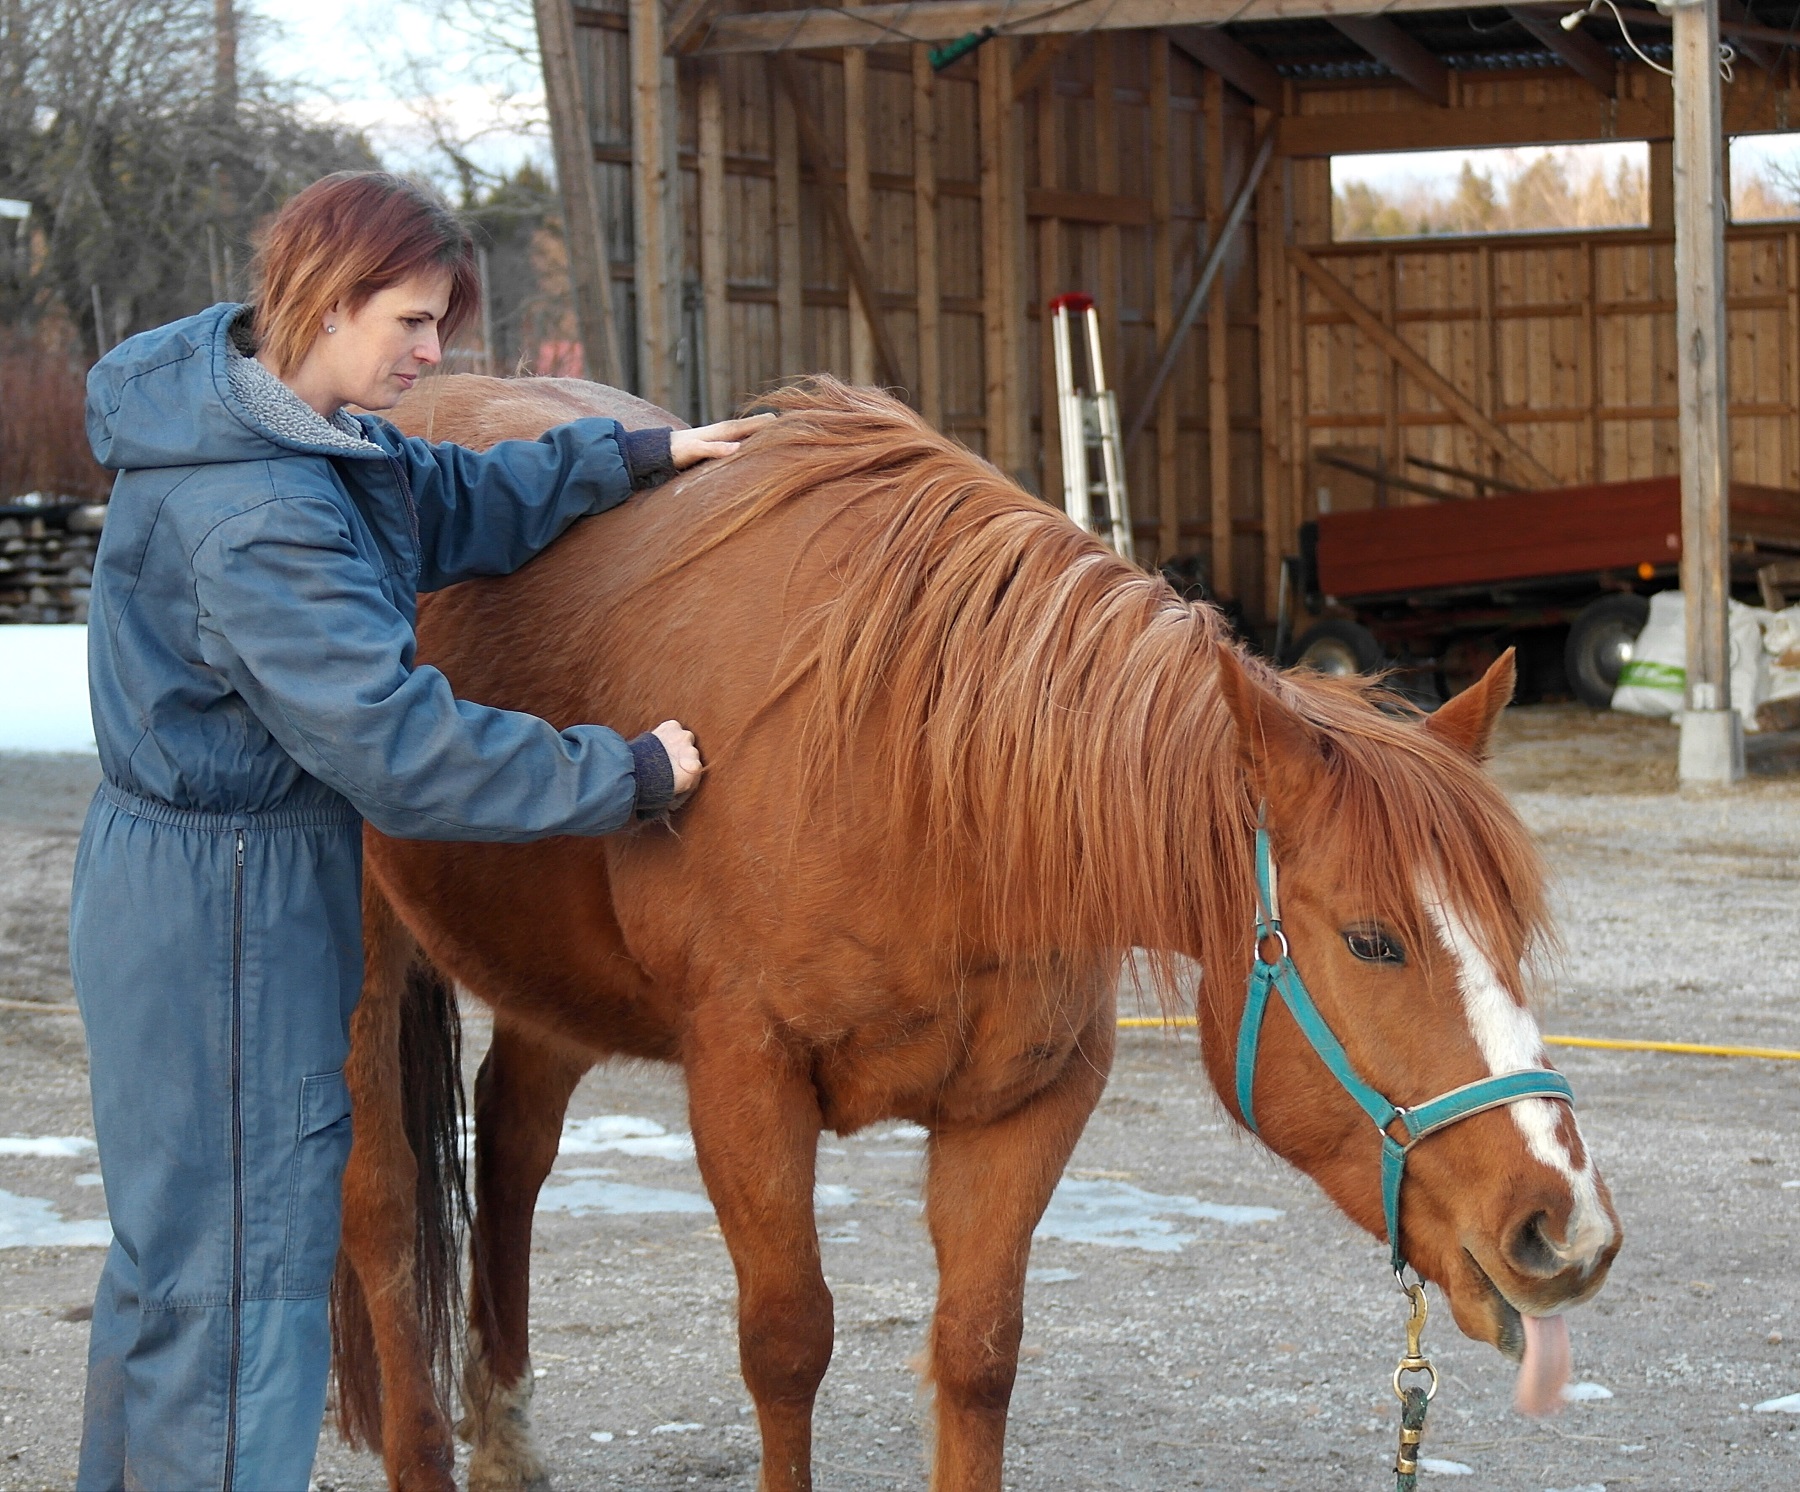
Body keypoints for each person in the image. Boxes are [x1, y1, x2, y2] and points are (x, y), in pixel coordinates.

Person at [68, 170, 763, 1491]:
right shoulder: (260, 518)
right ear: (327, 300)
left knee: (181, 1270)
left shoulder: (270, 428)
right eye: (413, 321)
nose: (435, 352)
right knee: (246, 1279)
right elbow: (398, 747)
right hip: (224, 908)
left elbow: (439, 505)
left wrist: (629, 456)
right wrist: (624, 772)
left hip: (202, 877)